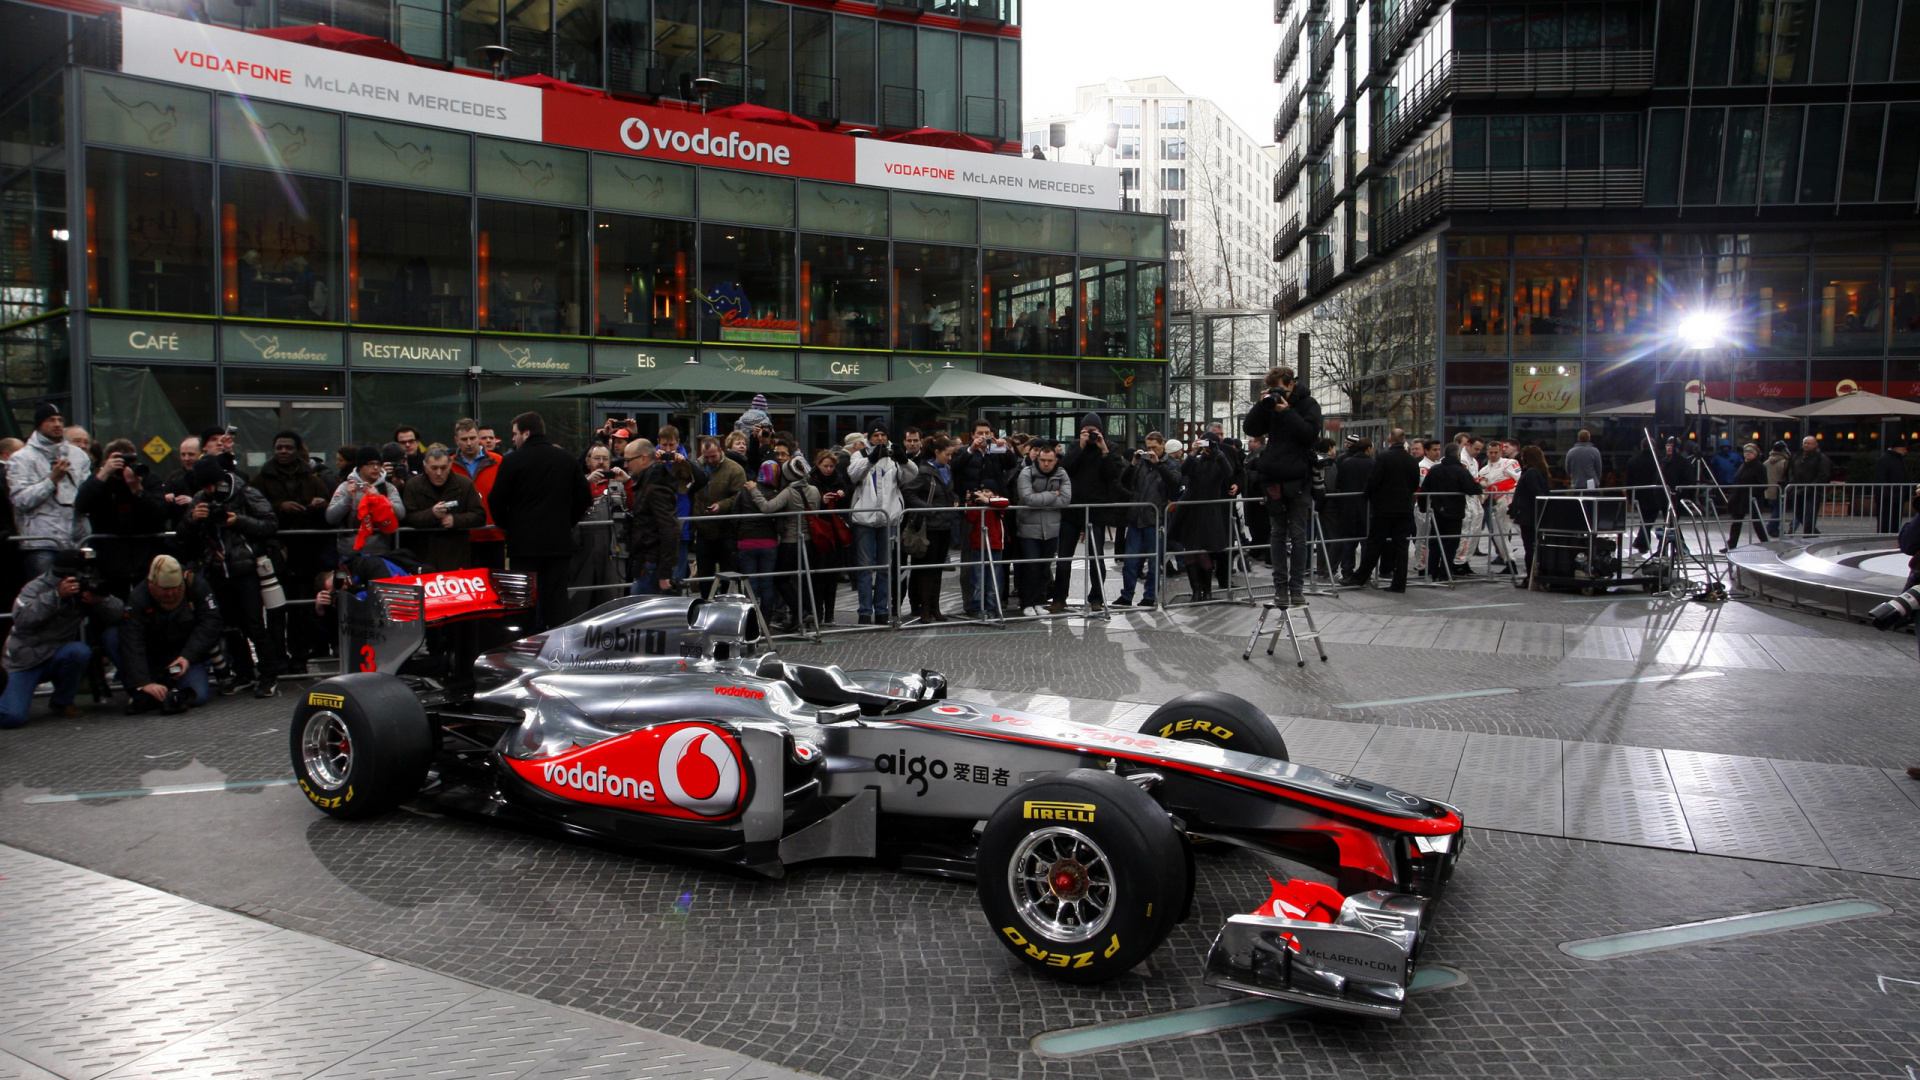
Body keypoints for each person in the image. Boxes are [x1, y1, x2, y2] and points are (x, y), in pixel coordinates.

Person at [179, 456, 283, 697]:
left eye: (210, 485)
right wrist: (193, 519)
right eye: (203, 487)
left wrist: (238, 521)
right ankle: (244, 673)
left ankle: (269, 676)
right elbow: (183, 535)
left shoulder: (245, 493)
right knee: (232, 627)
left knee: (255, 625)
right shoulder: (200, 499)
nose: (208, 491)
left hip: (246, 570)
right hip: (217, 569)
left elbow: (270, 524)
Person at [488, 413, 592, 631]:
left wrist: (509, 526)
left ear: (526, 433)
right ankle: (560, 651)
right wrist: (568, 521)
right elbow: (585, 497)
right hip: (558, 543)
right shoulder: (566, 459)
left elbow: (495, 500)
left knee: (524, 603)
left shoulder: (512, 461)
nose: (513, 439)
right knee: (557, 601)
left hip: (523, 546)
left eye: (515, 434)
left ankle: (525, 648)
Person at [1, 549, 124, 727]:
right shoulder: (36, 587)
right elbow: (21, 618)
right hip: (24, 660)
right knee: (12, 717)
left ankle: (62, 701)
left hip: (55, 655)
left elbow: (118, 614)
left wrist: (99, 600)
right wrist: (56, 595)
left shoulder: (84, 587)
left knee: (79, 652)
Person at [251, 430, 331, 674]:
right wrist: (279, 507)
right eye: (279, 447)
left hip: (305, 555)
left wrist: (320, 505)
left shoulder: (313, 479)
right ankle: (278, 658)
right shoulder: (261, 480)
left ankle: (299, 659)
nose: (283, 451)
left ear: (297, 451)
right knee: (275, 611)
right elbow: (253, 511)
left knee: (302, 612)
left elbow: (328, 513)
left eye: (287, 447)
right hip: (275, 554)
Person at [1242, 367, 1323, 607]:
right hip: (1274, 477)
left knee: (1297, 534)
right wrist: (1263, 403)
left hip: (1298, 478)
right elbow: (1251, 429)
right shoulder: (1271, 405)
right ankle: (1280, 586)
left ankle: (1296, 586)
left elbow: (1309, 435)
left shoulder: (1309, 404)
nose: (1277, 392)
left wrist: (1286, 411)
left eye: (1278, 387)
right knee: (1277, 533)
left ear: (1290, 384)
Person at [117, 554, 220, 714]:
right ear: (152, 583)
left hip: (184, 653)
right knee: (112, 637)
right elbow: (132, 640)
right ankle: (146, 690)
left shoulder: (195, 585)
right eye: (165, 589)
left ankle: (159, 696)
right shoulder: (138, 597)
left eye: (175, 587)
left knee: (198, 696)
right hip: (152, 654)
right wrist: (144, 682)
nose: (171, 594)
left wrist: (187, 657)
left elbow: (211, 622)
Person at [73, 437, 169, 599]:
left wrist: (137, 489)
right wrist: (104, 474)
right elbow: (82, 505)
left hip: (144, 557)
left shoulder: (147, 478)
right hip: (109, 559)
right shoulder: (101, 480)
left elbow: (160, 514)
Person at [9, 402, 93, 578]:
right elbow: (21, 500)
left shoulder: (78, 455)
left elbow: (88, 493)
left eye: (60, 420)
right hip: (42, 542)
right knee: (45, 594)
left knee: (79, 594)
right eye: (51, 420)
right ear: (39, 424)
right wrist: (52, 480)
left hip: (77, 539)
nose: (57, 424)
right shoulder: (22, 458)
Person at [846, 424, 918, 624]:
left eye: (883, 434)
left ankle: (882, 609)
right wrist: (870, 459)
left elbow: (911, 476)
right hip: (864, 519)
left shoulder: (894, 456)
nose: (880, 438)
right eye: (876, 435)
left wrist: (904, 460)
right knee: (865, 568)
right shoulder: (859, 455)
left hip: (889, 518)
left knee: (886, 568)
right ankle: (865, 612)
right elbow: (853, 475)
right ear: (870, 437)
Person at [1058, 413, 1125, 613]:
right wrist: (1080, 446)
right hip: (1073, 509)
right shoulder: (1074, 447)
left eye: (1093, 431)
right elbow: (1065, 468)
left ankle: (1096, 597)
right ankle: (1059, 598)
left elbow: (1113, 475)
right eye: (1086, 431)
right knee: (1064, 556)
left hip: (1096, 509)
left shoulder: (1111, 447)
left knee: (1096, 556)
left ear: (1101, 431)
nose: (1090, 434)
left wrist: (1103, 449)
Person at [743, 455, 819, 632]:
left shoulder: (789, 492)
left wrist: (754, 490)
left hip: (790, 541)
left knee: (780, 579)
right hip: (809, 541)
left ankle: (799, 612)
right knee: (803, 579)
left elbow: (767, 508)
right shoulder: (814, 491)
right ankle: (803, 614)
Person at [1345, 432, 1420, 592]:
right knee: (1401, 546)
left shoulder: (1384, 457)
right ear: (1405, 440)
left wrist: (1368, 495)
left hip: (1384, 508)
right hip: (1404, 508)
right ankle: (1399, 583)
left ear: (1389, 439)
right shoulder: (1411, 460)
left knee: (1375, 543)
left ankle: (1360, 577)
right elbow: (1415, 484)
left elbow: (1374, 480)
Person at [902, 434, 960, 623]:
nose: (950, 458)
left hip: (945, 525)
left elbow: (949, 490)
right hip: (929, 526)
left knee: (937, 569)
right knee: (927, 569)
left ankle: (935, 607)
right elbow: (909, 492)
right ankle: (924, 608)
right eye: (948, 454)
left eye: (951, 454)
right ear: (937, 452)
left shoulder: (947, 469)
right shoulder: (925, 472)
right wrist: (928, 510)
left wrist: (956, 499)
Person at [1116, 441, 1181, 607]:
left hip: (1155, 518)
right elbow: (1123, 482)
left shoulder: (1170, 464)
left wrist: (1158, 464)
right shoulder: (1141, 464)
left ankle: (1150, 596)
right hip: (1137, 517)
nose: (1150, 451)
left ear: (1162, 446)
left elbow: (1174, 484)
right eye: (1148, 447)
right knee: (1130, 560)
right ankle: (1127, 595)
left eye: (1154, 447)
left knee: (1154, 561)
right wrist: (1133, 464)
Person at [402, 446, 486, 571]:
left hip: (456, 553)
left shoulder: (465, 484)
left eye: (443, 468)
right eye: (434, 468)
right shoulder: (413, 485)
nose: (439, 473)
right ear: (425, 467)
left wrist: (455, 520)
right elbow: (408, 517)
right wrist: (432, 514)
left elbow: (480, 515)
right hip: (423, 553)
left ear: (450, 466)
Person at [1171, 436, 1235, 602]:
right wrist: (1193, 452)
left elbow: (1228, 473)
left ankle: (1207, 591)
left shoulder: (1219, 461)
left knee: (1204, 553)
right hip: (1190, 510)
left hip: (1208, 512)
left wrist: (1217, 452)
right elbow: (1183, 471)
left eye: (1208, 444)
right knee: (1190, 552)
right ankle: (1196, 591)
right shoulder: (1196, 461)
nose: (1206, 447)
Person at [686, 435, 747, 600]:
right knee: (705, 575)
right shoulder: (696, 467)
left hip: (726, 530)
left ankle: (725, 604)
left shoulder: (734, 470)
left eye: (713, 456)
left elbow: (739, 497)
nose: (710, 460)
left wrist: (721, 506)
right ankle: (706, 604)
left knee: (727, 573)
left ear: (721, 451)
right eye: (707, 457)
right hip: (703, 530)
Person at [326, 447, 407, 563]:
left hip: (381, 554)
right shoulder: (345, 487)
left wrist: (380, 499)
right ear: (360, 466)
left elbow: (401, 513)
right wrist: (348, 498)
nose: (375, 468)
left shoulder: (387, 488)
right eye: (370, 464)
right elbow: (331, 517)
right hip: (349, 553)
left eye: (378, 464)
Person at [1014, 444, 1070, 614]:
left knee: (1045, 567)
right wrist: (1053, 494)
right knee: (1031, 566)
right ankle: (1027, 602)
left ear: (1056, 461)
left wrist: (1039, 497)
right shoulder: (1027, 473)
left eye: (1050, 461)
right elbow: (1027, 499)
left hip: (1051, 528)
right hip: (1028, 528)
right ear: (1037, 459)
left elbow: (1066, 500)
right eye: (1043, 460)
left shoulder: (1062, 474)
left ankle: (1039, 600)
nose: (1046, 464)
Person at [622, 439, 680, 597]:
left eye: (628, 460)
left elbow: (670, 529)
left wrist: (665, 572)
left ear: (643, 459)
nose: (626, 465)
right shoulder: (649, 483)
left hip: (652, 563)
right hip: (648, 561)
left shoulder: (655, 487)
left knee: (643, 614)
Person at [1419, 440, 1481, 579]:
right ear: (1458, 455)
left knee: (1435, 542)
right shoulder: (1460, 471)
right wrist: (1480, 485)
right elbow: (1471, 488)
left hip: (1438, 511)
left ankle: (1431, 571)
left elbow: (1425, 490)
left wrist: (1424, 508)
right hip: (1455, 512)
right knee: (1450, 544)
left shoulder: (1435, 469)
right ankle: (1445, 572)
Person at [453, 418, 506, 571]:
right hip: (461, 536)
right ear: (456, 440)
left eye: (472, 438)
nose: (469, 443)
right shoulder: (448, 465)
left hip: (493, 534)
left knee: (495, 583)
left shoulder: (498, 461)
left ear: (478, 438)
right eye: (464, 439)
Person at [808, 448, 853, 623]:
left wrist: (842, 494)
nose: (828, 469)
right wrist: (821, 501)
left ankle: (830, 614)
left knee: (832, 575)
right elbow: (808, 503)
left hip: (835, 529)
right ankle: (818, 612)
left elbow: (847, 495)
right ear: (818, 465)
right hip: (819, 529)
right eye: (825, 466)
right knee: (819, 575)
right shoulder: (812, 480)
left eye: (831, 466)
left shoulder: (838, 478)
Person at [1330, 437, 1374, 580]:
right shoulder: (1373, 464)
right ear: (1368, 449)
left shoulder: (1346, 463)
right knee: (1366, 542)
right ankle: (1364, 574)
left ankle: (1347, 572)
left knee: (1349, 542)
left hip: (1348, 507)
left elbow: (1339, 483)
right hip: (1366, 508)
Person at [1512, 445, 1553, 586]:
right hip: (1536, 515)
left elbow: (1535, 494)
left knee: (1530, 547)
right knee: (1534, 547)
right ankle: (1534, 575)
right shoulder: (1540, 472)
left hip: (1529, 516)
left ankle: (1530, 577)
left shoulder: (1530, 473)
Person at [1477, 440, 1520, 573]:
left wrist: (1515, 497)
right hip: (1497, 505)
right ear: (1487, 452)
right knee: (1498, 534)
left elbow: (1520, 479)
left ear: (1501, 452)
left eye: (1496, 452)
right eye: (1491, 452)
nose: (1493, 455)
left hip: (1512, 501)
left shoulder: (1510, 463)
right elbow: (1484, 493)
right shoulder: (1484, 470)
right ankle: (1510, 562)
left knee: (1520, 530)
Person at [1725, 444, 1772, 550]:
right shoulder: (1743, 465)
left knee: (1757, 523)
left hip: (1752, 498)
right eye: (1746, 451)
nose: (1747, 453)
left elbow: (1763, 484)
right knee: (1736, 522)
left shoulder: (1759, 467)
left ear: (1755, 454)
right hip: (1739, 498)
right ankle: (1731, 545)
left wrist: (1752, 492)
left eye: (1750, 452)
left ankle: (1766, 543)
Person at [1788, 435, 1833, 535]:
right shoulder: (1797, 456)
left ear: (1815, 445)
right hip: (1798, 489)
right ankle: (1813, 531)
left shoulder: (1820, 457)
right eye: (1805, 443)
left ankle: (1808, 534)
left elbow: (1823, 475)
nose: (1806, 445)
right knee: (1799, 512)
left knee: (1810, 513)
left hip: (1813, 491)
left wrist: (1811, 486)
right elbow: (1791, 470)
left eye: (1809, 443)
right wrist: (1792, 483)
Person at [1874, 441, 1910, 533]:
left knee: (1895, 522)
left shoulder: (1900, 460)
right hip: (1888, 498)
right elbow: (1880, 479)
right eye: (1904, 448)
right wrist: (1885, 495)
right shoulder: (1886, 460)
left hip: (1898, 496)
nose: (1905, 451)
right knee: (1886, 522)